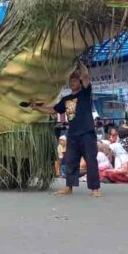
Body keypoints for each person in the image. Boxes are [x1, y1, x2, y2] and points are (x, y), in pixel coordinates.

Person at [31, 61, 101, 197]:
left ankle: (95, 188)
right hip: (73, 134)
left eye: (74, 80)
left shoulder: (85, 93)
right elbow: (54, 109)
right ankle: (69, 187)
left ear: (80, 82)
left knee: (91, 160)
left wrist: (79, 61)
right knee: (70, 161)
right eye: (70, 80)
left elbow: (85, 74)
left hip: (87, 133)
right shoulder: (66, 99)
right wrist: (37, 107)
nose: (72, 82)